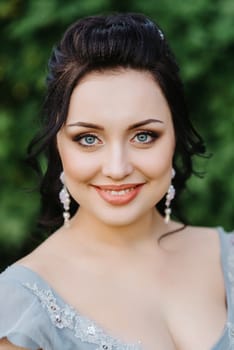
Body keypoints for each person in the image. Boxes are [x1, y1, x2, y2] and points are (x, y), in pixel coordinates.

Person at [0, 12, 233, 350]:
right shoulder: (20, 310)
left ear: (175, 136)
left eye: (143, 135)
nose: (117, 168)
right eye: (88, 139)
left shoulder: (226, 255)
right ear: (58, 144)